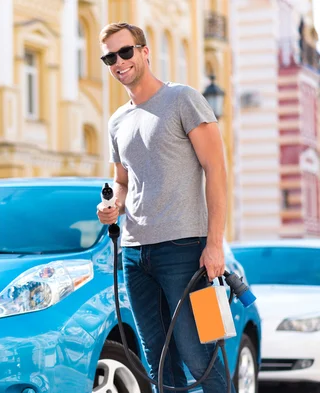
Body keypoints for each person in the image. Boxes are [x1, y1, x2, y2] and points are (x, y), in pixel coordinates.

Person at [95, 22, 235, 393]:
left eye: (125, 52)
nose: (119, 62)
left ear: (144, 51)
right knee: (156, 357)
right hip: (135, 253)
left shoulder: (182, 99)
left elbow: (216, 171)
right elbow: (122, 182)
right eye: (110, 57)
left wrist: (215, 243)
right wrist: (112, 206)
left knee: (199, 354)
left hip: (185, 250)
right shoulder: (117, 121)